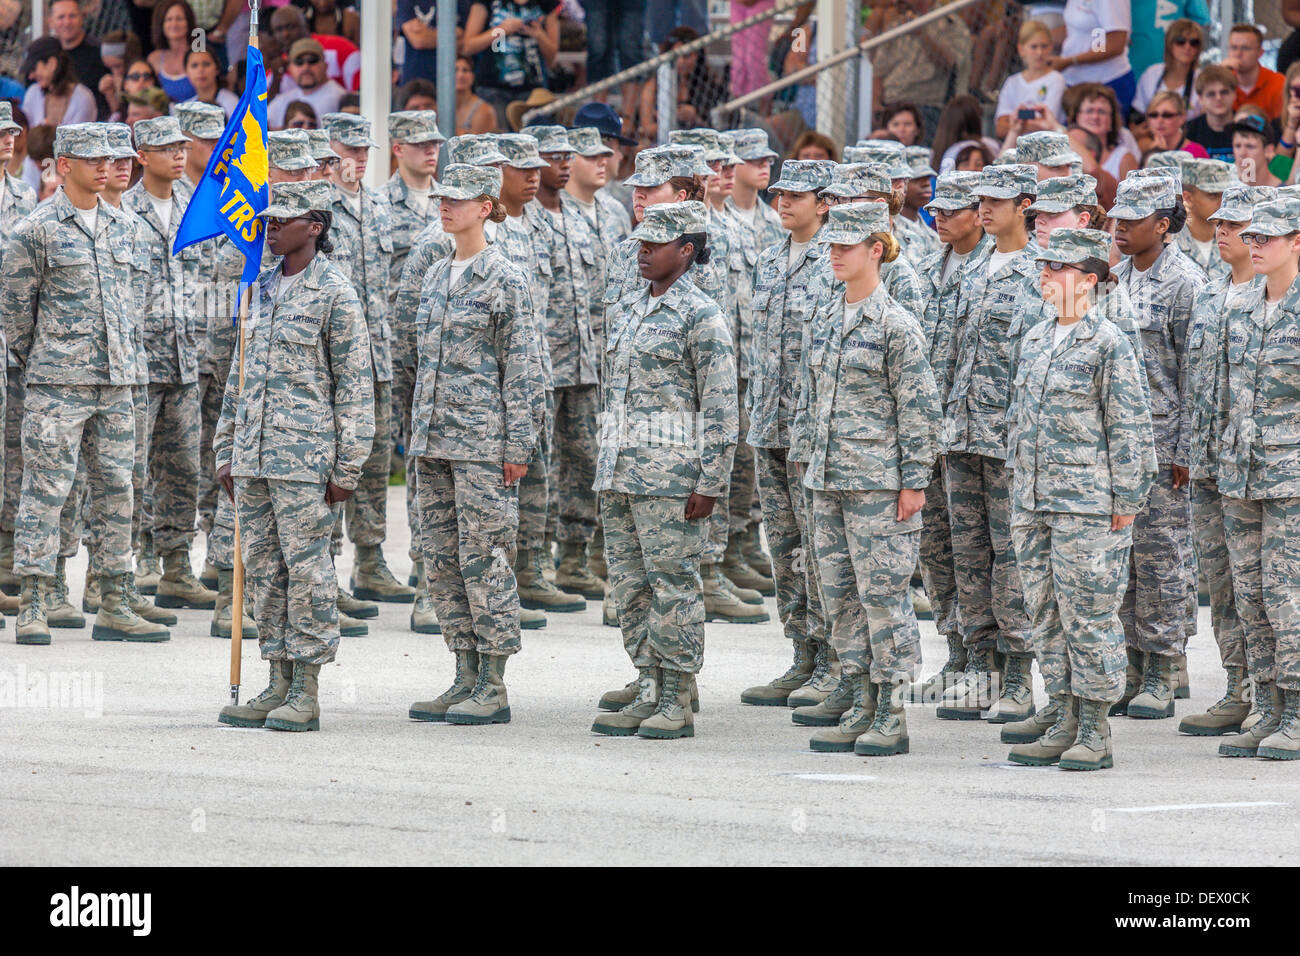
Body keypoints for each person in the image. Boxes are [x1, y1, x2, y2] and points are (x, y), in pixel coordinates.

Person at [214, 179, 374, 731]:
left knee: (308, 573)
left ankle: (306, 685)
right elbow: (238, 375)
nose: (270, 227)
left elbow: (355, 384)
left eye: (283, 220)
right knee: (264, 570)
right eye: (268, 219)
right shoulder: (256, 287)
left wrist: (349, 465)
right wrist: (224, 449)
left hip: (305, 460)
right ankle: (275, 676)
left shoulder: (335, 292)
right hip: (252, 457)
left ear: (317, 226)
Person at [2, 123, 165, 645]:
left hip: (118, 382)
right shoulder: (37, 230)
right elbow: (14, 316)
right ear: (63, 164)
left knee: (118, 489)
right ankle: (34, 598)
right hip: (58, 383)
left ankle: (115, 597)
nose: (104, 166)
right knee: (46, 491)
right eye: (91, 157)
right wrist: (51, 361)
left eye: (109, 157)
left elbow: (135, 305)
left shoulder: (127, 228)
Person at [1006, 228, 1153, 769]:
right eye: (1042, 265)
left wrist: (1127, 499)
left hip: (1088, 506)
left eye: (1058, 267)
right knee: (1044, 613)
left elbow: (1130, 427)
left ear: (1089, 280)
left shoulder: (1108, 342)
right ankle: (1064, 709)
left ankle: (1094, 728)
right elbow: (1018, 422)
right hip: (1034, 501)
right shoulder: (1037, 337)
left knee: (1089, 614)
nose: (1044, 274)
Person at [590, 200, 737, 739]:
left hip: (672, 480)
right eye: (640, 244)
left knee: (673, 585)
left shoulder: (702, 316)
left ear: (687, 251)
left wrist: (710, 482)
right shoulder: (630, 308)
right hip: (621, 472)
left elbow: (721, 407)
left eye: (655, 245)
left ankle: (676, 696)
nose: (644, 253)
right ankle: (647, 682)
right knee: (630, 589)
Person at [796, 200, 939, 755]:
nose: (833, 255)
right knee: (840, 597)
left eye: (845, 247)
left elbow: (919, 409)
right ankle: (858, 698)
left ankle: (892, 712)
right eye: (829, 246)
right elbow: (812, 401)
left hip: (879, 484)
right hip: (828, 479)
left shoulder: (895, 324)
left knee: (884, 597)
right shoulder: (825, 317)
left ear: (875, 250)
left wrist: (914, 481)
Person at [406, 163, 543, 726]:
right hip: (433, 440)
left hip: (483, 444)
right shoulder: (437, 274)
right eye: (442, 198)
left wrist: (518, 445)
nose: (446, 207)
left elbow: (524, 367)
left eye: (458, 200)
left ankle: (494, 680)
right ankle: (462, 670)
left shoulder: (505, 277)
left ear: (486, 207)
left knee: (483, 558)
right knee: (439, 558)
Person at [938, 162, 1040, 723]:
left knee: (1012, 556)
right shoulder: (970, 268)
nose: (984, 208)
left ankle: (1020, 673)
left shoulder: (1039, 271)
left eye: (997, 200)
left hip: (1010, 439)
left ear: (1025, 202)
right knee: (969, 555)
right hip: (962, 434)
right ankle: (980, 665)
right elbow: (946, 351)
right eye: (981, 199)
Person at [739, 159, 837, 707]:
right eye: (780, 193)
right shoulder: (771, 259)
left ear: (824, 204)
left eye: (797, 195)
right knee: (786, 546)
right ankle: (801, 652)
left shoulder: (833, 262)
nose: (783, 202)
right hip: (769, 424)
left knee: (819, 547)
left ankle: (830, 657)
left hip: (809, 429)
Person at [1178, 183, 1271, 738]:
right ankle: (1239, 688)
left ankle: (1272, 694)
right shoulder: (1211, 293)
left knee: (1264, 586)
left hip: (1258, 466)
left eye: (1233, 227)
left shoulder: (1275, 295)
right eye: (1218, 226)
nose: (1222, 235)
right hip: (1209, 463)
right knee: (1223, 581)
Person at [1108, 173, 1201, 719]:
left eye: (1133, 218)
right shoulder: (1112, 280)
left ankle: (1165, 667)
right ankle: (1131, 665)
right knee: (1123, 559)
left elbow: (1197, 374)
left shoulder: (1186, 282)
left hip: (1164, 446)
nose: (1119, 227)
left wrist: (1187, 449)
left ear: (1163, 226)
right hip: (1120, 447)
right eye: (1116, 217)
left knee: (1163, 558)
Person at [1217, 191, 1300, 759]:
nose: (1256, 245)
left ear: (1297, 241)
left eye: (1267, 237)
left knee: (1287, 593)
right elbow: (1223, 390)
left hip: (1292, 476)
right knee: (1249, 593)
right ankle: (1267, 702)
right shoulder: (1240, 304)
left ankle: (1296, 708)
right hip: (1241, 473)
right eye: (1253, 237)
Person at [125, 115, 217, 612]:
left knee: (183, 468)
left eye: (182, 146)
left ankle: (177, 565)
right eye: (166, 148)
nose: (179, 155)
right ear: (142, 156)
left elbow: (211, 285)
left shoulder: (197, 210)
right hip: (139, 367)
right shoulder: (124, 209)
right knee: (134, 467)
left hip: (186, 363)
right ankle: (135, 560)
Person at [318, 112, 408, 605]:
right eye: (347, 151)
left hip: (378, 355)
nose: (356, 159)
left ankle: (370, 560)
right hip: (335, 359)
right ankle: (325, 568)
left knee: (373, 461)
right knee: (334, 462)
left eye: (362, 151)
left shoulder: (377, 207)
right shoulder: (318, 208)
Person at [910, 170, 988, 699]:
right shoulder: (924, 270)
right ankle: (956, 650)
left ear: (979, 214)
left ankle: (990, 658)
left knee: (980, 552)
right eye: (935, 210)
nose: (938, 218)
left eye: (950, 211)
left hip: (977, 436)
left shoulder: (998, 271)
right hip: (930, 433)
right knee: (938, 550)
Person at [0, 100, 37, 613]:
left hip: (12, 346)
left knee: (13, 460)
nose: (8, 139)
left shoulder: (24, 196)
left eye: (10, 131)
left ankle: (6, 563)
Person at [868, 0, 971, 140]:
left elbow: (950, 64)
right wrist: (875, 102)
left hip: (928, 106)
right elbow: (879, 70)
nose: (896, 2)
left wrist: (922, 34)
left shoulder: (950, 24)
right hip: (892, 104)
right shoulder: (895, 26)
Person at [462, 0, 562, 133]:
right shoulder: (485, 2)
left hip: (532, 89)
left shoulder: (547, 3)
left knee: (533, 143)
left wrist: (539, 34)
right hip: (493, 87)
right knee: (499, 142)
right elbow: (467, 47)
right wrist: (501, 30)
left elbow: (552, 58)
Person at [636, 26, 726, 142]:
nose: (681, 62)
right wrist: (672, 120)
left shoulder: (710, 84)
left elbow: (719, 127)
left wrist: (695, 117)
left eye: (687, 56)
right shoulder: (654, 84)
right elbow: (647, 129)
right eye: (675, 56)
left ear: (697, 56)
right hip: (663, 144)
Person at [1050, 0, 1135, 117]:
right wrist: (1038, 39)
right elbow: (1075, 27)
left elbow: (1116, 43)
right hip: (1073, 83)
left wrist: (1070, 61)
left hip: (1106, 84)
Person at [995, 18, 1066, 140]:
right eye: (1034, 47)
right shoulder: (1012, 82)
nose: (1039, 52)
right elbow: (1000, 128)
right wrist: (1034, 118)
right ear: (1021, 49)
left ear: (1051, 48)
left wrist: (1016, 118)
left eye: (1044, 46)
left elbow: (1047, 123)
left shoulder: (1056, 80)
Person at [48, 0, 110, 118]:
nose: (67, 22)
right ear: (51, 22)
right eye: (61, 17)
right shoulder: (48, 53)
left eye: (72, 16)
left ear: (82, 17)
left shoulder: (99, 52)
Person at [1176, 157, 1235, 279]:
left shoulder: (1235, 243)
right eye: (1213, 195)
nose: (1221, 202)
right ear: (1187, 198)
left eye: (1225, 195)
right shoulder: (1169, 245)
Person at [1067, 83, 1139, 183]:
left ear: (1111, 121)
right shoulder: (1066, 157)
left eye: (1101, 112)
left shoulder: (1124, 157)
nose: (1095, 117)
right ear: (1077, 117)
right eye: (1089, 111)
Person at [1133, 19, 1204, 120]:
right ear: (1169, 44)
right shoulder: (1151, 74)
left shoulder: (1202, 81)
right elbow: (1136, 116)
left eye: (1194, 43)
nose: (1187, 47)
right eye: (1181, 41)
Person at [268, 39, 345, 129]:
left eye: (312, 61)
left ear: (325, 66)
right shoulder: (283, 99)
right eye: (299, 62)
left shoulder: (339, 98)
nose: (306, 67)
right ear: (289, 68)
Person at [21, 37, 97, 128]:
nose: (31, 76)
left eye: (34, 69)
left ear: (51, 64)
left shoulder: (82, 98)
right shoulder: (33, 93)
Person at [1226, 23, 1285, 122]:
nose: (1238, 54)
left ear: (1260, 53)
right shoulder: (1222, 82)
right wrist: (1219, 75)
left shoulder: (1279, 83)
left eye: (1245, 48)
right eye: (1233, 48)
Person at [1184, 66, 1239, 164]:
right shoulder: (1189, 131)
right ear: (1200, 99)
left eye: (1224, 92)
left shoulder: (1247, 126)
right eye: (1211, 94)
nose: (1218, 98)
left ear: (1234, 94)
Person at [147, 0, 198, 104]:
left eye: (179, 19)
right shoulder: (154, 59)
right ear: (161, 24)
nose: (174, 24)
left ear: (188, 22)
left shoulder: (199, 54)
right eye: (168, 19)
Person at [1142, 91, 1207, 158]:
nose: (1159, 120)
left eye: (1167, 115)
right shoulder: (1143, 149)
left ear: (1182, 118)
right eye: (1154, 115)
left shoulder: (1196, 152)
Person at [1229, 109, 1284, 188]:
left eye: (1250, 146)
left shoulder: (1284, 195)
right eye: (1237, 146)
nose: (1242, 153)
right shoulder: (1222, 192)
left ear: (1268, 150)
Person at [183, 47, 238, 118]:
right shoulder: (185, 108)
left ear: (217, 69)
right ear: (186, 72)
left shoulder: (231, 102)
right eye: (194, 65)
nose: (200, 70)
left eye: (206, 64)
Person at [453, 55, 499, 136]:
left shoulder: (484, 110)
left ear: (473, 76)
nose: (460, 75)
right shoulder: (439, 106)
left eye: (465, 70)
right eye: (455, 70)